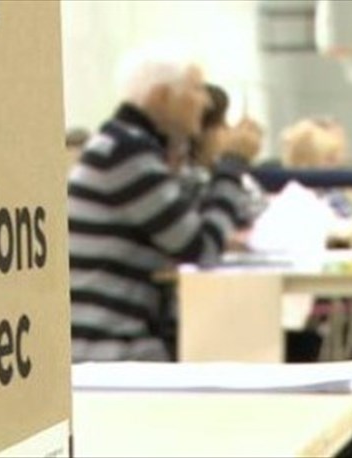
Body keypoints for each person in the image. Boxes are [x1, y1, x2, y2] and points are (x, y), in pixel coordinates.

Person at [68, 45, 262, 361]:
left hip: (118, 337)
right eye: (196, 89)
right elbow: (201, 248)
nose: (206, 101)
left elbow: (194, 225)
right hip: (110, 347)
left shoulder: (128, 146)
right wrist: (232, 165)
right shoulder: (126, 153)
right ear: (161, 96)